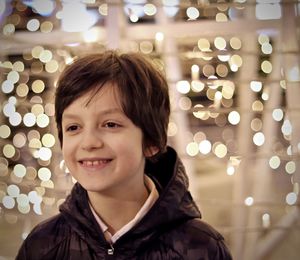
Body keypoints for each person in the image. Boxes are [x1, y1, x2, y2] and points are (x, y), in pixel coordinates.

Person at [16, 50, 232, 259]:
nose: (89, 142)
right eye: (73, 127)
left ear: (152, 141)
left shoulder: (201, 249)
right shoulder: (42, 247)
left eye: (110, 124)